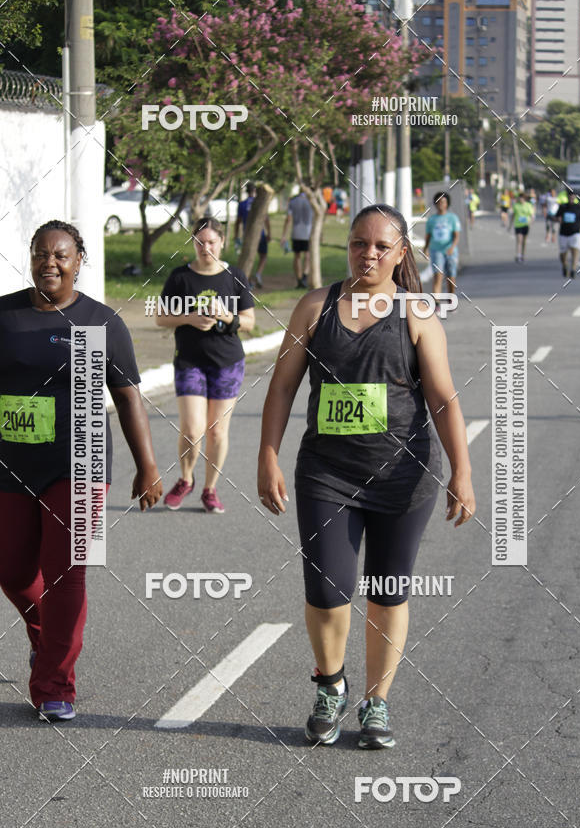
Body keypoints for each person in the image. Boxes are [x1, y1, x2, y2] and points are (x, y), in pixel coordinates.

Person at [258, 204, 475, 749]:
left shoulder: (417, 313)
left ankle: (375, 702)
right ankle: (330, 685)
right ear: (347, 247)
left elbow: (444, 399)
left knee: (387, 590)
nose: (369, 254)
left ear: (402, 253)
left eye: (382, 246)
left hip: (404, 478)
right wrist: (267, 455)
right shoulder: (315, 307)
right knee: (328, 587)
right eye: (359, 243)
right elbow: (282, 386)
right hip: (326, 474)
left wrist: (464, 473)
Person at [0, 220, 162, 722]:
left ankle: (55, 685)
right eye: (41, 254)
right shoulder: (5, 314)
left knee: (67, 575)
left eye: (61, 255)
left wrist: (147, 465)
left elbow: (128, 395)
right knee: (12, 569)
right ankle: (49, 641)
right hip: (10, 460)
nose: (50, 263)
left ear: (78, 261)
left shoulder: (98, 323)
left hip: (81, 458)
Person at [158, 217, 255, 512]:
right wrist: (190, 317)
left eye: (211, 241)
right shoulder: (180, 278)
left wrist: (226, 315)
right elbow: (161, 318)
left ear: (222, 242)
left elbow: (249, 323)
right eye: (200, 241)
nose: (205, 247)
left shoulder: (235, 276)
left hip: (227, 363)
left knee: (217, 432)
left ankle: (210, 489)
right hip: (190, 361)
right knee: (192, 429)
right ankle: (185, 479)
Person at [423, 191, 461, 295]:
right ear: (435, 204)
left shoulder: (452, 218)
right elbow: (428, 236)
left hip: (450, 250)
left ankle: (451, 297)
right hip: (436, 250)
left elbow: (456, 235)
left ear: (447, 203)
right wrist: (425, 248)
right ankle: (437, 303)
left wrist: (452, 247)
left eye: (443, 202)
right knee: (438, 276)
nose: (441, 205)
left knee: (451, 276)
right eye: (439, 202)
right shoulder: (432, 220)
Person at [234, 182, 270, 288]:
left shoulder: (242, 204)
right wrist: (269, 232)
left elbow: (238, 221)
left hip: (247, 235)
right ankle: (258, 273)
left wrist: (236, 235)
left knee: (249, 257)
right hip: (260, 234)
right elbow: (266, 219)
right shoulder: (260, 203)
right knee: (263, 256)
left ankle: (248, 280)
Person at [280, 189, 313, 289]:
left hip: (296, 232)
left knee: (297, 256)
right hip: (308, 233)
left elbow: (288, 219)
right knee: (307, 255)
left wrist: (284, 235)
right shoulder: (311, 201)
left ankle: (299, 279)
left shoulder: (293, 202)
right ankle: (304, 276)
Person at [556, 190, 580, 278]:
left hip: (575, 233)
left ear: (575, 197)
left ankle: (573, 270)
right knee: (563, 254)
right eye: (570, 196)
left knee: (575, 251)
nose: (571, 197)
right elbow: (556, 217)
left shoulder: (578, 207)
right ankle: (565, 266)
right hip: (564, 233)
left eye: (573, 196)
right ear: (567, 196)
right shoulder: (563, 207)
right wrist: (558, 219)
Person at [511, 191, 535, 262]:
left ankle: (522, 254)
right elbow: (513, 215)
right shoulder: (516, 205)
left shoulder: (528, 205)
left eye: (522, 198)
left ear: (524, 199)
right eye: (519, 198)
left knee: (524, 241)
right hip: (518, 225)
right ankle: (518, 255)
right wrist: (510, 225)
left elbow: (532, 216)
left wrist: (530, 223)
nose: (520, 199)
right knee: (519, 240)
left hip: (525, 225)